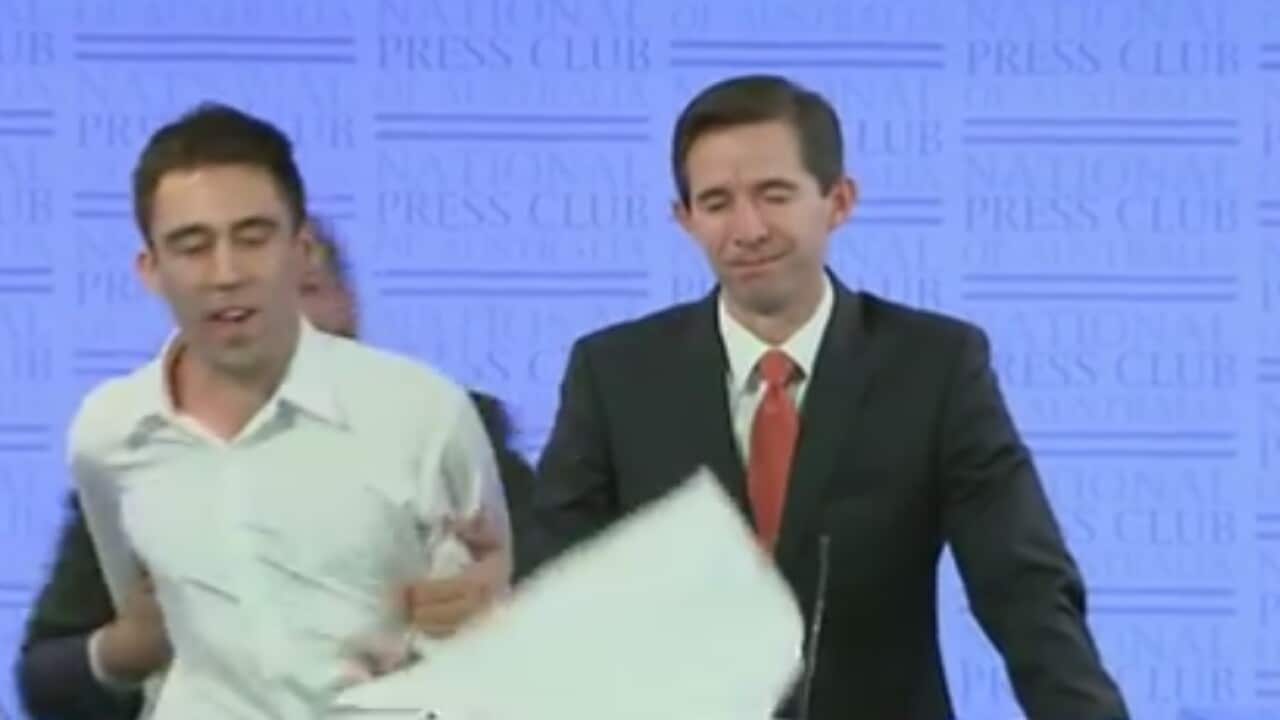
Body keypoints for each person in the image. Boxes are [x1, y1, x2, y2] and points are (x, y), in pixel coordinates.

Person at [530, 75, 1129, 719]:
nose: (748, 229)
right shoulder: (615, 374)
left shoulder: (934, 367)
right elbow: (549, 588)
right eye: (716, 202)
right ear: (685, 219)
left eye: (774, 195)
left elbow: (1024, 587)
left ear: (838, 201)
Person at [64, 103, 511, 719]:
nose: (226, 273)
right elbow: (140, 623)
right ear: (151, 270)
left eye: (252, 238)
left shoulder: (422, 410)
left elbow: (486, 615)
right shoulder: (109, 431)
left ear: (301, 250)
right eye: (192, 247)